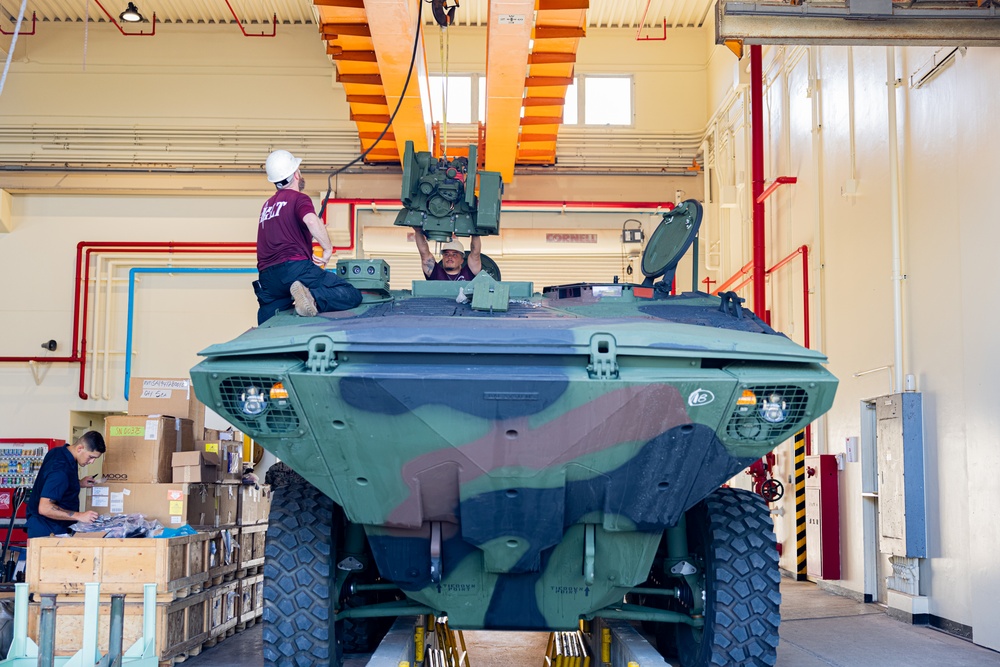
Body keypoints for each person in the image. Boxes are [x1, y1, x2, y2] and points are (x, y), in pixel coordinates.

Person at [254, 149, 362, 324]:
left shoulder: (267, 206)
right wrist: (327, 249)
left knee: (271, 316)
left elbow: (283, 238)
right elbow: (311, 222)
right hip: (295, 269)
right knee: (350, 294)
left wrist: (309, 237)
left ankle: (265, 330)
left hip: (268, 277)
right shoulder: (298, 198)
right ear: (296, 174)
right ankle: (311, 298)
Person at [26, 431, 106, 538]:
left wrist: (79, 483)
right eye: (91, 457)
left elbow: (55, 484)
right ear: (79, 448)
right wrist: (80, 516)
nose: (92, 462)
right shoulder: (60, 470)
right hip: (49, 530)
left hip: (52, 526)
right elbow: (45, 507)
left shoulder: (58, 452)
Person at [414, 233, 482, 281]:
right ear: (443, 258)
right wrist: (418, 231)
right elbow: (424, 253)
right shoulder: (436, 273)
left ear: (462, 260)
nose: (449, 257)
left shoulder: (468, 273)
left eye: (454, 254)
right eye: (446, 254)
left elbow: (475, 254)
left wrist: (475, 232)